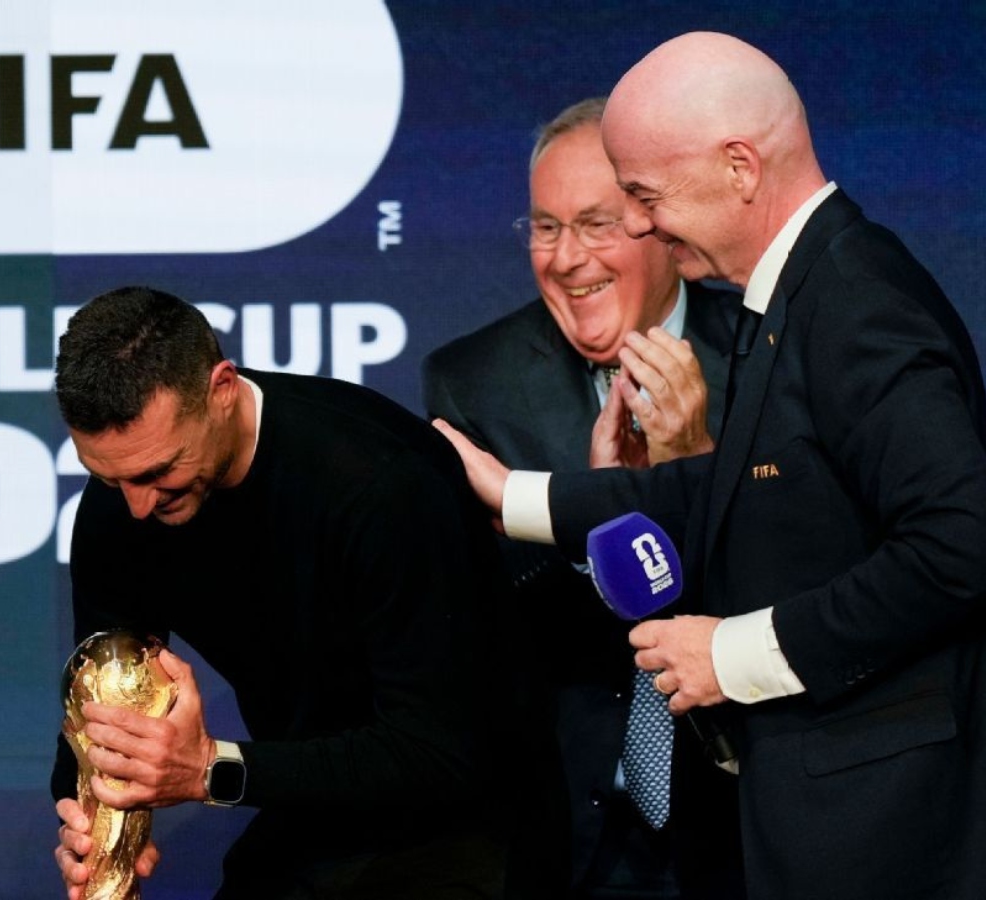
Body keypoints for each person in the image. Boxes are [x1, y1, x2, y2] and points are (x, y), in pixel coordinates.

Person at [437, 32, 986, 900]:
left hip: (882, 823)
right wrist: (521, 499)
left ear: (740, 167)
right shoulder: (809, 291)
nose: (644, 224)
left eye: (645, 197)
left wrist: (730, 653)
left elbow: (959, 548)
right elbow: (749, 490)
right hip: (819, 813)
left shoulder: (855, 304)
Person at [49, 285, 570, 899]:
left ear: (221, 390)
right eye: (106, 475)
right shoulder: (121, 504)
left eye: (159, 471)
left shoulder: (381, 486)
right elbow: (105, 701)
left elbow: (441, 751)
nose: (136, 505)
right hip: (311, 811)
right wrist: (91, 821)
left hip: (475, 826)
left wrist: (210, 768)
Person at [423, 96, 744, 900]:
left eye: (597, 224)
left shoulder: (765, 356)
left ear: (661, 227)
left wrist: (692, 471)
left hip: (745, 814)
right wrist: (587, 518)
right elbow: (473, 626)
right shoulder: (475, 382)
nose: (568, 259)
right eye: (545, 226)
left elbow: (812, 576)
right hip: (568, 830)